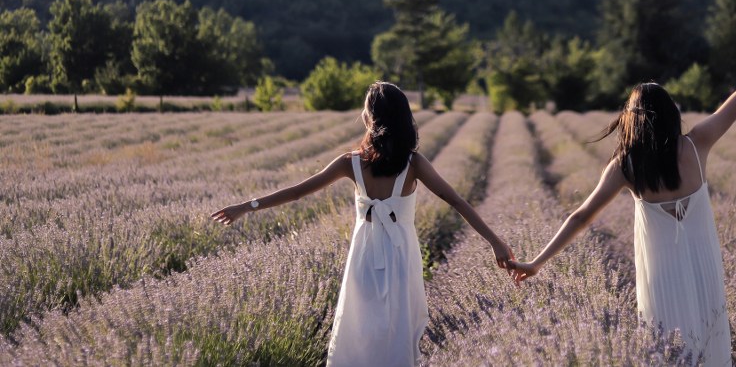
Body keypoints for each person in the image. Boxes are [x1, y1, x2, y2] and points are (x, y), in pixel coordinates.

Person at [507, 30, 736, 366]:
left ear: (631, 119)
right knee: (710, 348)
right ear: (671, 113)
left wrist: (536, 263)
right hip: (704, 273)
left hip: (661, 282)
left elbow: (580, 217)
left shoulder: (626, 166)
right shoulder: (697, 145)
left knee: (667, 353)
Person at [211, 81, 514, 367]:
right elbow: (458, 202)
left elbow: (296, 192)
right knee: (396, 330)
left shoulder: (350, 162)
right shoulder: (414, 163)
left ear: (371, 117)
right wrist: (495, 241)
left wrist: (246, 207)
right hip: (400, 256)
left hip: (364, 256)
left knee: (360, 329)